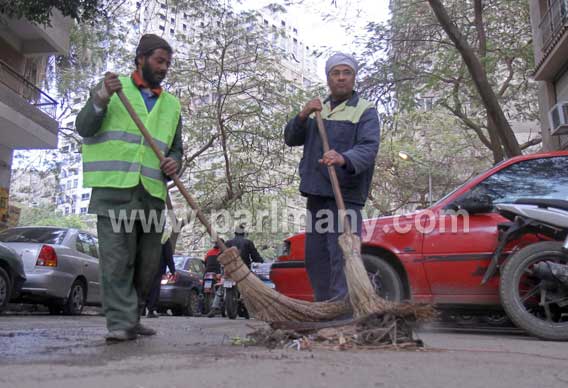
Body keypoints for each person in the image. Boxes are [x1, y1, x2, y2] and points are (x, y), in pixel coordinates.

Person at [75, 34, 184, 342]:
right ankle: (120, 322)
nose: (164, 68)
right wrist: (100, 97)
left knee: (148, 264)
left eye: (167, 63)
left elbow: (176, 150)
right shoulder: (113, 89)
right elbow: (84, 127)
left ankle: (131, 317)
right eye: (159, 61)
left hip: (151, 194)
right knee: (117, 259)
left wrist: (175, 163)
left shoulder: (172, 105)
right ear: (141, 58)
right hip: (114, 191)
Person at [284, 52, 380, 302]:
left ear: (354, 77)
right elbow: (290, 138)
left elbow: (369, 148)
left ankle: (343, 314)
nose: (340, 78)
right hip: (317, 195)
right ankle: (325, 308)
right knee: (316, 258)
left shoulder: (365, 111)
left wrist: (344, 158)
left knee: (342, 256)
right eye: (335, 73)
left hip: (346, 196)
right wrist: (303, 114)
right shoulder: (319, 109)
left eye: (346, 73)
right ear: (328, 78)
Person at [207, 225, 263, 317]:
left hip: (229, 270)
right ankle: (247, 305)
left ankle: (215, 306)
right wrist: (260, 260)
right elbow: (255, 256)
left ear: (235, 233)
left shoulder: (228, 242)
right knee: (248, 288)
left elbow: (220, 255)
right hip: (243, 270)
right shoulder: (248, 242)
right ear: (244, 233)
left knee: (221, 287)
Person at [145, 237, 176, 318]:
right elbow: (168, 255)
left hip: (145, 266)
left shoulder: (145, 234)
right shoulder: (164, 237)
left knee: (144, 287)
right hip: (157, 267)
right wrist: (173, 270)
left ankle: (141, 309)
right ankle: (151, 310)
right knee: (154, 289)